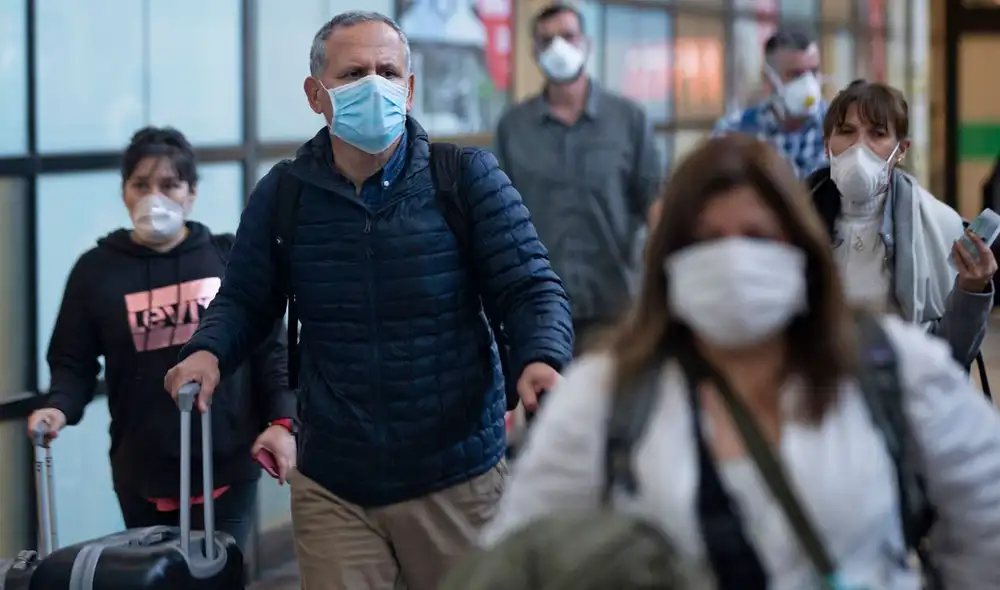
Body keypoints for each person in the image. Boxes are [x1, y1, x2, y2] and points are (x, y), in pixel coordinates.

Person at [163, 11, 573, 590]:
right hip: (336, 482)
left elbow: (529, 284)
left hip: (455, 477)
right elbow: (245, 301)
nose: (374, 85)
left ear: (409, 89)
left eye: (387, 72)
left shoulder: (465, 178)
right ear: (316, 94)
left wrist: (540, 357)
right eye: (354, 73)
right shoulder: (286, 194)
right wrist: (207, 351)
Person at [481, 134, 1000, 588]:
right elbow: (521, 555)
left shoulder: (888, 364)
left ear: (799, 247)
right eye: (706, 241)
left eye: (757, 236)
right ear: (668, 258)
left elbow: (987, 514)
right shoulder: (605, 394)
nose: (733, 260)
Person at [25, 127, 297, 551]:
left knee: (216, 578)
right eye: (141, 185)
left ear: (191, 193)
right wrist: (59, 408)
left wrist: (282, 422)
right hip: (142, 470)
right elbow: (72, 362)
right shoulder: (96, 271)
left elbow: (270, 351)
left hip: (227, 463)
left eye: (170, 185)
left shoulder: (228, 259)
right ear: (124, 193)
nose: (155, 198)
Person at [494, 2, 663, 351]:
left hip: (615, 309)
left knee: (616, 405)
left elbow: (656, 203)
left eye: (567, 36)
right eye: (547, 39)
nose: (559, 47)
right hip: (539, 310)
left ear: (586, 43)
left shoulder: (629, 119)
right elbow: (496, 217)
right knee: (550, 406)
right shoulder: (514, 128)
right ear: (534, 52)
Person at [807, 80, 996, 367]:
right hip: (816, 391)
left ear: (901, 149)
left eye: (877, 134)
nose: (860, 148)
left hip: (902, 393)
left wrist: (971, 289)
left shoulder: (940, 225)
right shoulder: (793, 219)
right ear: (826, 145)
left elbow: (953, 354)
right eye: (846, 132)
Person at [712, 29, 826, 178]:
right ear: (769, 79)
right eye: (795, 74)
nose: (808, 84)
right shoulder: (732, 131)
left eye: (814, 72)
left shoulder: (841, 128)